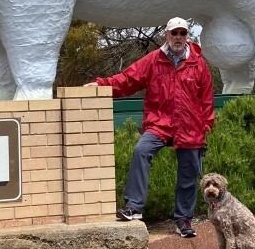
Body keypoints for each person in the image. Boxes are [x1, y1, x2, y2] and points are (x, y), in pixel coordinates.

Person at [85, 17, 214, 237]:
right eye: (175, 33)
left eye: (183, 33)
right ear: (167, 35)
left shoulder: (198, 63)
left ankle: (183, 219)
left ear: (187, 36)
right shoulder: (154, 60)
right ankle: (134, 207)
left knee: (188, 172)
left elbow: (207, 98)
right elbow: (128, 79)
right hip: (160, 123)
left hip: (189, 126)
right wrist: (101, 84)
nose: (178, 38)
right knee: (141, 151)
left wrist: (205, 125)